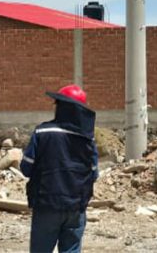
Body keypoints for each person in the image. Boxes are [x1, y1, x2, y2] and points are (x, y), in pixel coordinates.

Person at [20, 84, 99, 253]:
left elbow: (26, 168)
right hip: (76, 207)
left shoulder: (42, 132)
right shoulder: (87, 139)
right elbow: (94, 173)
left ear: (61, 107)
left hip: (47, 205)